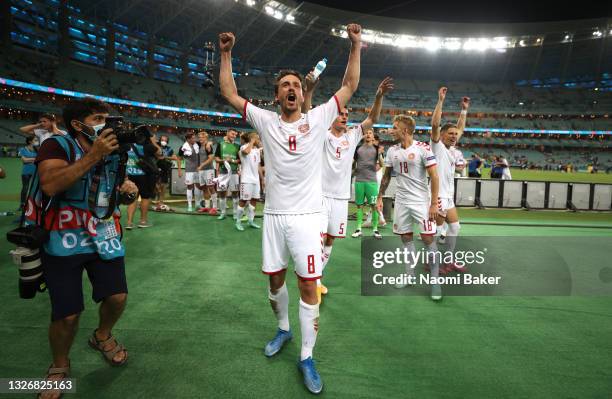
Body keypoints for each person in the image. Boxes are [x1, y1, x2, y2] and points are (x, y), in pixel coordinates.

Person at [218, 22, 361, 394]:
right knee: (275, 282)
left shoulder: (319, 119)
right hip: (274, 217)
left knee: (309, 285)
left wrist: (355, 45)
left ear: (302, 92)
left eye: (296, 84)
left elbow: (348, 86)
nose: (292, 88)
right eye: (285, 85)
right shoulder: (265, 122)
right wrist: (226, 53)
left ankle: (307, 356)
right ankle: (283, 330)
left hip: (307, 218)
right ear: (277, 96)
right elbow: (230, 93)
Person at [28, 98, 137, 399]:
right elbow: (50, 184)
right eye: (98, 118)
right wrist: (94, 156)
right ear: (77, 125)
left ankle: (101, 335)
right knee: (67, 315)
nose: (105, 123)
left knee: (117, 297)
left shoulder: (114, 148)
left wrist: (126, 191)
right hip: (63, 237)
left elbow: (114, 188)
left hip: (103, 233)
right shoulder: (57, 145)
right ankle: (59, 365)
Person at [303, 75, 393, 302]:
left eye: (346, 115)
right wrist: (309, 92)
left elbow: (372, 118)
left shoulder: (353, 136)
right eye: (340, 115)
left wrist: (379, 96)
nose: (344, 117)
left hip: (341, 198)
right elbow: (307, 116)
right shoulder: (321, 135)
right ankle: (314, 282)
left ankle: (316, 278)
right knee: (317, 239)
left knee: (331, 240)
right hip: (320, 196)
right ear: (332, 118)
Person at [377, 114, 441, 300]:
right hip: (402, 202)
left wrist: (433, 203)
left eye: (395, 127)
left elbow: (434, 177)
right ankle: (409, 275)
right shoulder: (392, 151)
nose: (391, 129)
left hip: (421, 202)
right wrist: (380, 196)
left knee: (428, 238)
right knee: (406, 238)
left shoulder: (423, 149)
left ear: (405, 130)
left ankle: (435, 282)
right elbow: (387, 176)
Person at [430, 87, 470, 273]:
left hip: (449, 197)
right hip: (437, 196)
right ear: (443, 134)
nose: (454, 136)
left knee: (455, 228)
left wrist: (464, 110)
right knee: (436, 232)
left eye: (456, 135)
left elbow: (460, 128)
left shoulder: (452, 150)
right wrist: (440, 101)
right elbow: (435, 125)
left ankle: (449, 261)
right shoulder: (437, 146)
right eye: (451, 134)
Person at [125, 134, 162, 229]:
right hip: (145, 176)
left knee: (132, 198)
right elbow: (159, 153)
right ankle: (143, 221)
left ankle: (129, 223)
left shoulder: (128, 145)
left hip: (130, 174)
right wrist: (153, 141)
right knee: (145, 197)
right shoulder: (147, 146)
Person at [235, 132, 263, 230]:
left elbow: (258, 166)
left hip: (256, 180)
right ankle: (238, 222)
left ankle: (251, 220)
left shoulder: (257, 151)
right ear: (252, 138)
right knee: (243, 201)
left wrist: (262, 179)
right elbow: (245, 152)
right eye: (257, 137)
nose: (259, 139)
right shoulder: (244, 147)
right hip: (246, 180)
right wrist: (251, 142)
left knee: (254, 200)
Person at [214, 129, 240, 220]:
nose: (234, 135)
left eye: (235, 134)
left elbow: (240, 160)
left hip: (234, 173)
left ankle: (235, 213)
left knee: (235, 193)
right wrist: (224, 160)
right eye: (232, 133)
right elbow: (216, 159)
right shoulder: (220, 144)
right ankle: (223, 213)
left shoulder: (237, 146)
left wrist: (232, 160)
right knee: (222, 193)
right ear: (227, 133)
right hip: (222, 172)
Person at [196, 131, 218, 215]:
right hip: (202, 171)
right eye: (200, 137)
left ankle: (215, 208)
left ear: (206, 138)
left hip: (209, 170)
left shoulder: (208, 146)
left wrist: (201, 165)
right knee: (204, 188)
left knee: (211, 187)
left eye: (202, 137)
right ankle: (207, 207)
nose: (200, 139)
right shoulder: (199, 145)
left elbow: (211, 158)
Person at [155, 134, 178, 211]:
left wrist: (165, 157)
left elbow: (174, 157)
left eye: (165, 140)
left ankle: (160, 202)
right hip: (155, 167)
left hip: (164, 168)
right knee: (156, 185)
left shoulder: (169, 149)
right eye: (162, 140)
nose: (163, 141)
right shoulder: (155, 147)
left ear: (167, 141)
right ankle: (157, 200)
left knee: (163, 185)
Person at [180, 133, 200, 212]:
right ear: (188, 139)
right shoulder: (182, 148)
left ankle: (198, 204)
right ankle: (190, 205)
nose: (194, 140)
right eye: (193, 138)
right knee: (190, 187)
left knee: (198, 186)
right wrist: (179, 169)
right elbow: (179, 157)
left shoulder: (197, 145)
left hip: (198, 169)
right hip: (189, 170)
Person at [18, 136, 38, 209]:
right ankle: (22, 204)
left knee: (35, 189)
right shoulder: (22, 149)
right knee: (25, 188)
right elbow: (24, 160)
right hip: (26, 172)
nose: (37, 141)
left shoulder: (37, 150)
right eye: (35, 140)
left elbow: (28, 160)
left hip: (36, 172)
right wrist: (35, 159)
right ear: (30, 141)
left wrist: (29, 159)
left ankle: (34, 205)